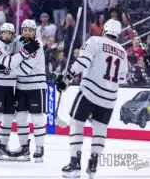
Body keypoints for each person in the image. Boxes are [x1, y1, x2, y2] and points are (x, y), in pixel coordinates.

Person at [55, 19, 128, 178]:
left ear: (105, 29)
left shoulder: (95, 40)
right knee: (100, 130)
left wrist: (66, 78)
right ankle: (93, 163)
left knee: (76, 122)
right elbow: (122, 79)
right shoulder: (123, 51)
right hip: (109, 98)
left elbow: (83, 62)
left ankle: (74, 163)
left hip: (89, 92)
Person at [0, 22, 40, 162]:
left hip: (9, 85)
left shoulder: (14, 44)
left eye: (10, 33)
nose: (7, 35)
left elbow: (12, 64)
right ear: (0, 33)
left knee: (7, 118)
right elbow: (10, 62)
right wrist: (25, 53)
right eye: (5, 32)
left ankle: (2, 146)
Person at [10, 19, 47, 163]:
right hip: (21, 86)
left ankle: (39, 148)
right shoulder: (17, 40)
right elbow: (10, 54)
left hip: (36, 86)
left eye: (30, 30)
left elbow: (25, 69)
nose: (27, 32)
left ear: (34, 32)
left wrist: (7, 69)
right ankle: (24, 148)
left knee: (37, 119)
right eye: (25, 29)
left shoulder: (38, 44)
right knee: (20, 119)